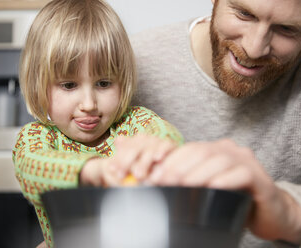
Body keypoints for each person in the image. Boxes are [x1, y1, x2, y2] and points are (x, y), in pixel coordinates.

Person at [130, 0, 301, 247]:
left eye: (286, 29)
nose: (254, 49)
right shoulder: (131, 63)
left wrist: (288, 212)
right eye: (244, 14)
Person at [12, 0, 183, 247]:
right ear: (38, 85)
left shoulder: (134, 122)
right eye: (69, 85)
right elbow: (32, 168)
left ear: (122, 81)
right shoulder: (36, 138)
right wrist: (92, 172)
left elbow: (166, 138)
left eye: (103, 83)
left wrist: (155, 153)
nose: (89, 103)